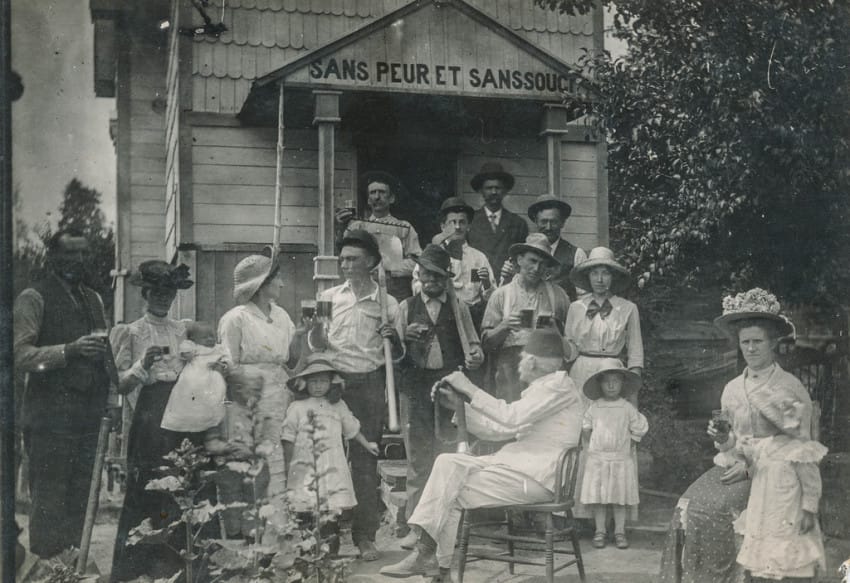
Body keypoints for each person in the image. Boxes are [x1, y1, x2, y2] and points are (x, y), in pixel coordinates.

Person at [379, 328, 584, 583]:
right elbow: (500, 430)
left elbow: (510, 417)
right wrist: (460, 407)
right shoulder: (544, 390)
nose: (519, 362)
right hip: (522, 470)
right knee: (447, 469)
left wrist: (469, 388)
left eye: (522, 356)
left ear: (532, 361)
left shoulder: (558, 387)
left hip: (539, 478)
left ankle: (434, 564)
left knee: (449, 486)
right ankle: (433, 564)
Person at [657, 288, 814, 583]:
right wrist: (721, 438)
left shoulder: (790, 387)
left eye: (758, 341)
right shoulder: (732, 388)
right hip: (734, 465)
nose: (751, 349)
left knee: (717, 510)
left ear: (773, 343)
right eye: (745, 343)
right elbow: (730, 443)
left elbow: (799, 446)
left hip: (776, 473)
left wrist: (752, 467)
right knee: (689, 504)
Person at [13, 229, 118, 559]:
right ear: (53, 257)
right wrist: (68, 351)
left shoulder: (93, 299)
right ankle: (47, 570)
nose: (78, 260)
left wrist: (112, 402)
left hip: (87, 419)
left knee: (82, 500)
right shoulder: (34, 297)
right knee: (49, 501)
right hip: (49, 420)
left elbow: (106, 355)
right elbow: (19, 355)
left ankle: (73, 568)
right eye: (70, 253)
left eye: (83, 254)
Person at [308, 229, 402, 561]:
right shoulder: (329, 296)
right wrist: (315, 331)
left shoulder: (387, 303)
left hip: (370, 383)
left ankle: (365, 537)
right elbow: (316, 344)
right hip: (334, 383)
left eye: (353, 259)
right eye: (343, 260)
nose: (346, 265)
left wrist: (393, 336)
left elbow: (396, 354)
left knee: (365, 460)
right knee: (328, 459)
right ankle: (328, 536)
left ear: (371, 262)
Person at [110, 260, 201, 581]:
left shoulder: (182, 330)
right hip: (150, 415)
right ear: (145, 294)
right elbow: (120, 385)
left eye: (169, 293)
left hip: (181, 410)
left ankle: (178, 566)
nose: (163, 298)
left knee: (181, 479)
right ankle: (140, 567)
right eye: (157, 293)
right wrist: (142, 365)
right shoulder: (131, 331)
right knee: (149, 484)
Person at [396, 244, 484, 549]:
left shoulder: (459, 308)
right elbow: (392, 352)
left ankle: (445, 525)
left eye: (437, 276)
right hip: (415, 388)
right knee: (418, 458)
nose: (431, 281)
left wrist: (476, 355)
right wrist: (404, 339)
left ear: (447, 278)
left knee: (447, 455)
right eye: (426, 274)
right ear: (418, 275)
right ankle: (417, 527)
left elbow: (473, 345)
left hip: (448, 388)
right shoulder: (405, 307)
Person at [218, 254, 298, 511]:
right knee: (258, 460)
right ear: (261, 284)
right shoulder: (236, 318)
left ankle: (280, 524)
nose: (282, 284)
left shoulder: (282, 315)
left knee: (282, 458)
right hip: (251, 398)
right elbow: (229, 365)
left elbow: (292, 357)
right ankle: (256, 525)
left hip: (282, 394)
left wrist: (306, 334)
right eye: (277, 279)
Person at [282, 354, 380, 554]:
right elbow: (288, 436)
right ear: (305, 383)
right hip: (307, 463)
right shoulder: (297, 407)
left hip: (332, 463)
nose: (318, 386)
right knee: (307, 505)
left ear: (331, 383)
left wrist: (367, 444)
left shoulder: (338, 405)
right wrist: (288, 465)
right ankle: (309, 552)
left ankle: (331, 551)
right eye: (313, 382)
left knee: (331, 507)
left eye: (323, 381)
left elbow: (351, 428)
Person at [732, 386, 827, 582]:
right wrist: (743, 453)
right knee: (765, 549)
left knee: (789, 549)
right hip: (764, 509)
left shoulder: (799, 450)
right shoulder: (762, 446)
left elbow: (811, 484)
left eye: (765, 419)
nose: (759, 422)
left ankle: (791, 575)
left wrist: (809, 511)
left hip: (788, 511)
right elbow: (751, 466)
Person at [481, 233, 570, 402]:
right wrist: (504, 326)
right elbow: (486, 343)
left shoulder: (558, 295)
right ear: (519, 259)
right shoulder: (501, 295)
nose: (536, 268)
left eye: (542, 264)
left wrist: (554, 331)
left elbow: (570, 339)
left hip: (547, 374)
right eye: (532, 261)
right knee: (511, 414)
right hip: (511, 374)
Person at [579, 361, 648, 550]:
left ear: (622, 384)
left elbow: (638, 428)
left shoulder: (627, 407)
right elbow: (586, 427)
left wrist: (626, 445)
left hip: (620, 460)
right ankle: (600, 531)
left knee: (619, 498)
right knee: (599, 498)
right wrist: (596, 445)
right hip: (598, 459)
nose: (611, 385)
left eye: (616, 381)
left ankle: (619, 531)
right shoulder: (595, 407)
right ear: (600, 384)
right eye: (606, 381)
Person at [564, 246, 644, 401]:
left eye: (605, 273)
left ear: (613, 276)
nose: (599, 279)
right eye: (594, 273)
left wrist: (633, 397)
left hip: (612, 373)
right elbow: (571, 351)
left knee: (610, 414)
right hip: (581, 373)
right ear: (588, 276)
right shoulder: (576, 308)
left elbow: (635, 354)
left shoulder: (628, 308)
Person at [204, 367, 271, 541]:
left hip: (256, 471)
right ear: (237, 388)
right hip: (229, 472)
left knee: (256, 509)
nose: (258, 395)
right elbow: (210, 442)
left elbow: (269, 443)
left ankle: (254, 547)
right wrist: (227, 448)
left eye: (260, 391)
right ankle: (234, 545)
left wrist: (253, 451)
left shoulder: (261, 415)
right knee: (231, 511)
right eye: (254, 390)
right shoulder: (222, 412)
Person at [337, 171, 422, 301]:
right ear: (368, 200)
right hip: (363, 290)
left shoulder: (404, 227)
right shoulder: (357, 227)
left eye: (382, 192)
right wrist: (341, 227)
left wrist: (390, 266)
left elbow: (417, 263)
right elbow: (344, 257)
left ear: (391, 198)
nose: (377, 197)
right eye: (373, 193)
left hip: (396, 292)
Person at [414, 197, 495, 328]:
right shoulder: (430, 256)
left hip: (470, 319)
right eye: (452, 222)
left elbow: (491, 298)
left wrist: (486, 283)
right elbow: (417, 287)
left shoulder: (479, 258)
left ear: (468, 226)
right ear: (443, 226)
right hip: (438, 317)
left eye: (462, 222)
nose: (457, 227)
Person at [160, 321, 231, 432]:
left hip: (213, 377)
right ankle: (189, 421)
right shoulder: (195, 347)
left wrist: (223, 364)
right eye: (205, 337)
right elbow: (183, 353)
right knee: (188, 399)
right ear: (194, 339)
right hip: (193, 377)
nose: (210, 339)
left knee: (215, 400)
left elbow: (227, 359)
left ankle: (210, 423)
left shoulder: (219, 348)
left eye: (212, 336)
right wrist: (187, 354)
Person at [466, 162, 529, 281]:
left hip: (507, 282)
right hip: (478, 282)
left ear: (505, 191)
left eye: (498, 188)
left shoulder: (518, 223)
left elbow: (523, 259)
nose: (494, 192)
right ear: (481, 191)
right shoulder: (470, 220)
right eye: (489, 188)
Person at [527, 193, 587, 300]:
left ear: (562, 223)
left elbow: (584, 297)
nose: (548, 227)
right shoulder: (525, 253)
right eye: (544, 222)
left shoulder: (576, 254)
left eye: (554, 222)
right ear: (536, 222)